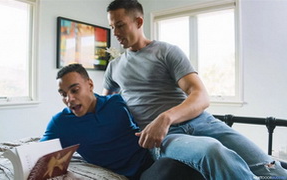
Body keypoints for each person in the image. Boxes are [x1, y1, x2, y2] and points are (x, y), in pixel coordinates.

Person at [103, 0, 287, 179]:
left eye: (120, 25)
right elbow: (103, 109)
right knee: (211, 150)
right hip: (167, 137)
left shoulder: (167, 51)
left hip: (203, 122)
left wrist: (165, 117)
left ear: (138, 22)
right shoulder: (114, 67)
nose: (116, 33)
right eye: (112, 27)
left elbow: (201, 96)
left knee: (272, 169)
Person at [40, 64, 205, 180]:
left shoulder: (116, 102)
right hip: (132, 176)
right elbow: (36, 156)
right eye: (63, 94)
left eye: (75, 90)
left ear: (90, 84)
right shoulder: (60, 123)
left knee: (189, 163)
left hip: (150, 161)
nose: (69, 99)